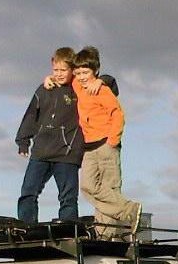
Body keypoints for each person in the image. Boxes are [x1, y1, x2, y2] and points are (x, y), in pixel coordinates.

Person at [70, 46, 141, 239]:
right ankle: (129, 210)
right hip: (89, 147)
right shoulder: (78, 85)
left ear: (95, 71)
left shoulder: (101, 90)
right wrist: (49, 79)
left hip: (106, 144)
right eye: (78, 73)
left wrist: (113, 140)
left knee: (110, 188)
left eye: (86, 72)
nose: (82, 76)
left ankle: (106, 233)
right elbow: (65, 74)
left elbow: (117, 114)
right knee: (88, 186)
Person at [15, 47, 84, 224]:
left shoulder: (79, 89)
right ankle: (27, 229)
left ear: (72, 70)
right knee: (28, 192)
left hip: (67, 154)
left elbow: (105, 81)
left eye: (63, 70)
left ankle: (68, 232)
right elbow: (31, 115)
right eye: (56, 70)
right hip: (41, 152)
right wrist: (23, 141)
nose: (59, 74)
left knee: (68, 197)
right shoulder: (44, 89)